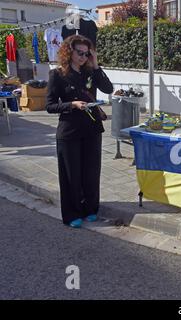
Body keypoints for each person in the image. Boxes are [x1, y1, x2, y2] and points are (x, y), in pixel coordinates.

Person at [46, 35, 113, 228]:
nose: (83, 57)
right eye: (80, 53)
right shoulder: (57, 74)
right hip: (69, 131)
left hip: (92, 129)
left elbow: (108, 88)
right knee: (71, 175)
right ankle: (72, 213)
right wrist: (72, 104)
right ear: (69, 51)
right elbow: (50, 106)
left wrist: (96, 64)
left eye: (87, 53)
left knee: (91, 173)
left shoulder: (90, 72)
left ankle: (90, 209)